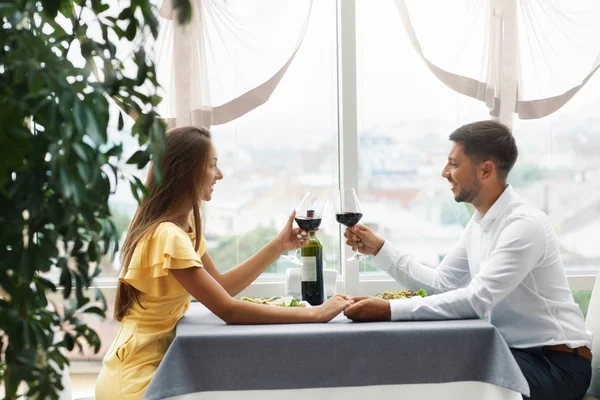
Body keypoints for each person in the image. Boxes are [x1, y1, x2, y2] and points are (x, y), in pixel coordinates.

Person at [95, 126, 353, 400]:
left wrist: (279, 245)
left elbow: (221, 287)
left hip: (153, 370)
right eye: (213, 166)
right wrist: (315, 314)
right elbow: (228, 310)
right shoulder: (168, 235)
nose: (220, 175)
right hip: (136, 380)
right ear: (188, 171)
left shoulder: (184, 227)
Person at [343, 120, 592, 400]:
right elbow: (441, 283)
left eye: (453, 164)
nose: (444, 172)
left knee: (450, 381)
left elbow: (476, 300)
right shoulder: (480, 223)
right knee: (431, 369)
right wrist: (379, 249)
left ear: (485, 169)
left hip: (557, 366)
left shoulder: (524, 225)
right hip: (513, 355)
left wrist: (389, 309)